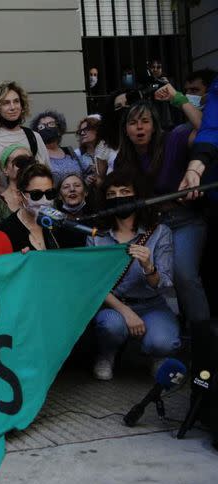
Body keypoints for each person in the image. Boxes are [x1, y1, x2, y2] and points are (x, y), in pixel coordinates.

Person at [114, 100, 209, 328]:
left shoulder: (173, 139)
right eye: (133, 123)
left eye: (145, 122)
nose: (140, 128)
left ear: (154, 125)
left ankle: (201, 333)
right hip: (149, 225)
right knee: (148, 274)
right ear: (125, 129)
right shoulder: (123, 159)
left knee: (184, 274)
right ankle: (166, 329)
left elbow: (205, 128)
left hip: (184, 220)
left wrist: (178, 99)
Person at [88, 171, 179, 381]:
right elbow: (95, 285)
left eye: (125, 191)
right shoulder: (97, 236)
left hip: (152, 304)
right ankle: (107, 354)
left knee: (163, 342)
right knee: (110, 326)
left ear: (137, 196)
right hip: (114, 305)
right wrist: (126, 312)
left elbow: (164, 283)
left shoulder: (159, 232)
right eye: (111, 194)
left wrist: (149, 266)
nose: (118, 197)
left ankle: (157, 356)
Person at [0, 81, 50, 167]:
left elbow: (46, 172)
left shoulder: (34, 137)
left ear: (22, 105)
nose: (13, 107)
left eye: (16, 101)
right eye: (6, 103)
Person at [0, 163, 61, 251]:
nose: (44, 200)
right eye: (36, 194)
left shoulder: (57, 223)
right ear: (20, 195)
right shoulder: (6, 231)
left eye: (49, 193)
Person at [30, 110, 87, 183]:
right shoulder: (37, 155)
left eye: (51, 124)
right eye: (41, 126)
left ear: (59, 130)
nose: (47, 128)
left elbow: (84, 173)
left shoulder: (69, 151)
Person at [0, 145, 34, 227]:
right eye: (20, 161)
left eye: (30, 161)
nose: (26, 165)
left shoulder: (44, 194)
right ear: (5, 169)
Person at [75, 114, 102, 185]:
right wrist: (84, 180)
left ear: (97, 130)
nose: (82, 133)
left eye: (86, 129)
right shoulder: (76, 154)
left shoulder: (108, 150)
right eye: (80, 131)